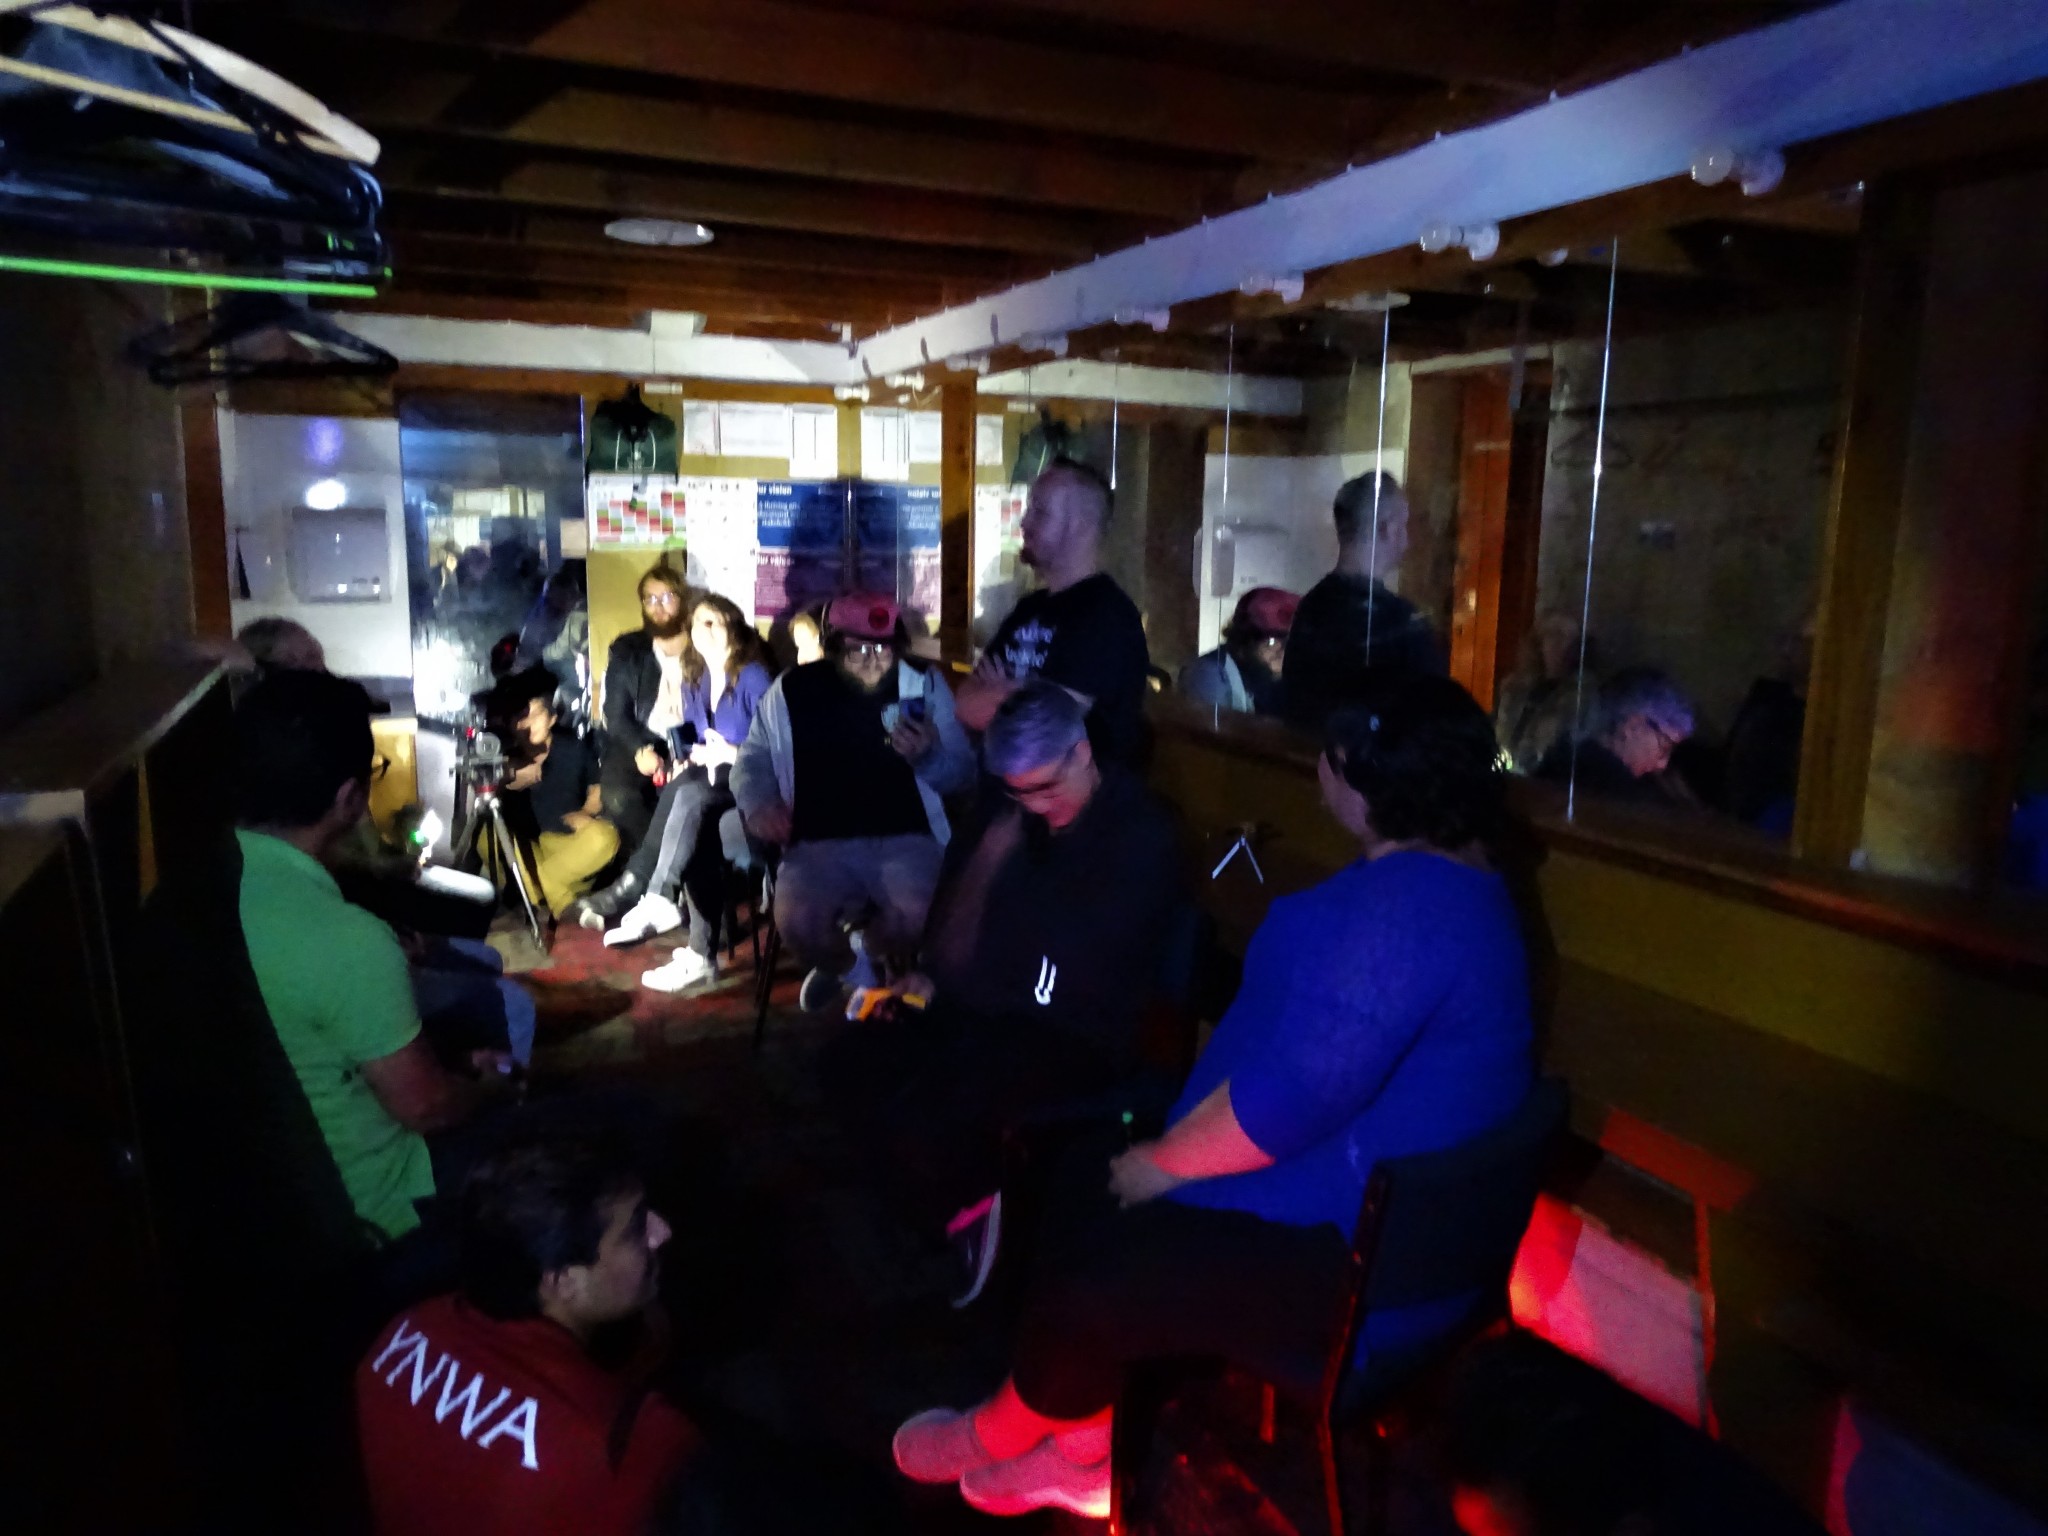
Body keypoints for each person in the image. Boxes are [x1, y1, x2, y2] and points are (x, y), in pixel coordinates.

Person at [891, 669, 1533, 1520]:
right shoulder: (1460, 882)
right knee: (1083, 1181)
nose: (1318, 769)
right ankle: (1084, 1434)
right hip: (1389, 1229)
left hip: (1356, 1268)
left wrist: (1162, 1165)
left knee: (1097, 1251)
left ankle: (1011, 1428)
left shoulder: (1405, 911)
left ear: (1362, 782)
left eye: (1329, 757)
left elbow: (1290, 1099)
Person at [824, 680, 1189, 1302]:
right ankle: (936, 1219)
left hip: (1072, 1031)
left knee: (941, 1099)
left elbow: (1071, 970)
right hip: (991, 1008)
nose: (1037, 804)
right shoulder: (1019, 813)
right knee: (851, 1060)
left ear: (1081, 752)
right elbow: (970, 930)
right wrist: (935, 981)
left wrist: (966, 990)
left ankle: (974, 1228)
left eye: (1045, 786)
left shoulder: (1139, 833)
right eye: (1020, 791)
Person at [232, 671, 498, 1243]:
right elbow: (426, 1109)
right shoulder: (345, 938)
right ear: (349, 799)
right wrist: (489, 1089)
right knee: (611, 1126)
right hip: (377, 1206)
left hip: (256, 1202)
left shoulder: (193, 890)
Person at [356, 1131, 699, 1535]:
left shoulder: (404, 1329)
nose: (662, 1231)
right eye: (636, 1228)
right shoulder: (626, 1443)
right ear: (564, 1282)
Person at [732, 591, 974, 1014]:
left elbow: (965, 773)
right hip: (817, 839)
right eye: (858, 649)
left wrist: (930, 758)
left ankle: (864, 956)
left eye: (883, 649)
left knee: (922, 912)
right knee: (798, 922)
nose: (873, 661)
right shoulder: (792, 690)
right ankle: (858, 973)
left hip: (907, 835)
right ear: (831, 646)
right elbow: (751, 759)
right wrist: (758, 803)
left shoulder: (922, 683)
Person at [574, 594, 774, 996]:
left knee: (692, 802)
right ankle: (692, 945)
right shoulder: (694, 677)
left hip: (752, 790)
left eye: (713, 622)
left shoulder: (753, 677)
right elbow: (698, 741)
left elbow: (777, 750)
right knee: (692, 812)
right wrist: (690, 757)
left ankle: (658, 898)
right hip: (711, 790)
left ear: (733, 628)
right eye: (698, 623)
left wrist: (729, 753)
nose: (703, 631)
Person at [955, 458, 1152, 766]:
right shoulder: (1029, 607)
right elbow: (965, 703)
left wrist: (1003, 691)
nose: (1024, 523)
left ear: (1081, 526)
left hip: (1070, 797)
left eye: (1040, 512)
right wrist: (1022, 695)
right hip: (1002, 791)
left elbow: (1043, 731)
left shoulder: (1106, 617)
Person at [1281, 472, 1445, 729]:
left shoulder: (1312, 607)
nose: (1407, 539)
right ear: (1387, 529)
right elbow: (1430, 720)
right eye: (1404, 525)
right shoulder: (1400, 622)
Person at [493, 666, 620, 915]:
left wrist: (586, 812)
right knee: (491, 840)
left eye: (536, 714)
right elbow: (492, 799)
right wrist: (509, 776)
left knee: (605, 835)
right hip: (533, 850)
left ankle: (547, 887)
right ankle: (565, 905)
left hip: (571, 847)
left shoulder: (573, 748)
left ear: (551, 719)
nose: (529, 723)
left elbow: (595, 789)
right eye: (522, 717)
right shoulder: (505, 759)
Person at [599, 563, 692, 855]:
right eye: (650, 599)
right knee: (618, 794)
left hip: (692, 740)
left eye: (666, 597)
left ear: (682, 599)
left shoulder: (703, 644)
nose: (657, 607)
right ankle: (650, 864)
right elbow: (615, 714)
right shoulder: (628, 650)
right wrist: (640, 749)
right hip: (643, 737)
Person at [1536, 667, 1697, 810]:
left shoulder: (1560, 760)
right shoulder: (1620, 799)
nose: (1663, 764)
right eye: (1664, 747)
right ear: (1633, 726)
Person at [1179, 587, 1297, 716]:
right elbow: (1213, 727)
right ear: (1245, 641)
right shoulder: (1209, 673)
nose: (1282, 652)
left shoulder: (1279, 679)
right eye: (1271, 642)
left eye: (1289, 642)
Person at [1495, 611, 1588, 774]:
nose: (1556, 644)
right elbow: (1498, 735)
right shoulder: (1517, 688)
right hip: (1505, 773)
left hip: (1543, 778)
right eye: (1550, 635)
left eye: (1564, 637)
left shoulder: (1580, 695)